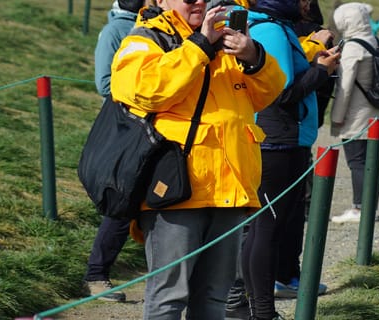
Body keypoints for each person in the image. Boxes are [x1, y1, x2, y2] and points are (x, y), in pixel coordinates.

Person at [110, 0, 286, 317]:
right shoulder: (144, 39)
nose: (199, 2)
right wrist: (200, 45)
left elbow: (269, 93)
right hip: (176, 189)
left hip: (230, 190)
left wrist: (254, 57)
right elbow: (146, 91)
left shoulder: (227, 40)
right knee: (169, 298)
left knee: (215, 297)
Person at [240, 1, 339, 318]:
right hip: (278, 142)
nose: (305, 4)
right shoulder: (270, 30)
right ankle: (263, 311)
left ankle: (253, 307)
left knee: (264, 229)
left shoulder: (273, 26)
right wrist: (322, 72)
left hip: (282, 140)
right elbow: (280, 93)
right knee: (265, 230)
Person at [84, 0, 148, 303]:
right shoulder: (116, 30)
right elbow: (105, 83)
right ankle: (96, 275)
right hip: (129, 130)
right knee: (123, 203)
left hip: (161, 131)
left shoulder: (155, 28)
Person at [329, 2, 379, 223]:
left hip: (356, 115)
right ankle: (370, 208)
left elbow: (344, 88)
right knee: (372, 163)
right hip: (376, 113)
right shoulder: (376, 41)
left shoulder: (353, 48)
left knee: (357, 162)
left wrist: (336, 118)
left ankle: (359, 208)